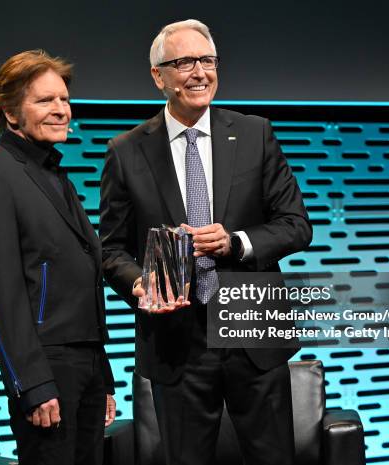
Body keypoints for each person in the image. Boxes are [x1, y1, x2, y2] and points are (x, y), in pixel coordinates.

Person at [100, 20, 312, 465]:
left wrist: (236, 242)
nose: (200, 72)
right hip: (177, 346)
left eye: (208, 61)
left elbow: (295, 224)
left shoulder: (255, 133)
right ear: (159, 76)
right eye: (184, 62)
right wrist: (141, 285)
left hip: (253, 333)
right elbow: (112, 249)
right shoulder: (126, 150)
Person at [0, 49, 115, 465]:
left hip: (86, 366)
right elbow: (1, 292)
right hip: (46, 367)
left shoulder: (54, 174)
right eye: (45, 101)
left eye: (64, 99)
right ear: (11, 113)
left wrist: (105, 377)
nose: (61, 110)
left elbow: (84, 281)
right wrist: (31, 384)